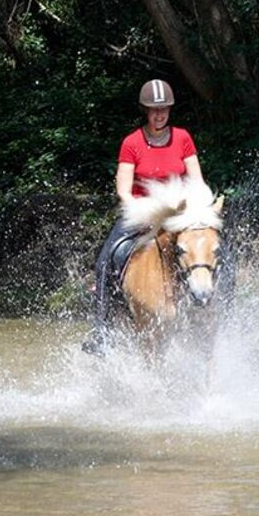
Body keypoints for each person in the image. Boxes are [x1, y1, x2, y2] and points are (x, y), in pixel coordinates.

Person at [82, 79, 205, 356]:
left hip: (177, 212)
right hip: (141, 213)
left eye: (164, 109)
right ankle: (101, 331)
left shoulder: (183, 138)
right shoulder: (132, 143)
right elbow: (124, 191)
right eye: (153, 109)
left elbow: (197, 181)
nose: (159, 114)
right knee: (105, 260)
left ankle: (215, 311)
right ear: (145, 111)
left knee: (214, 249)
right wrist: (146, 213)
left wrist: (198, 208)